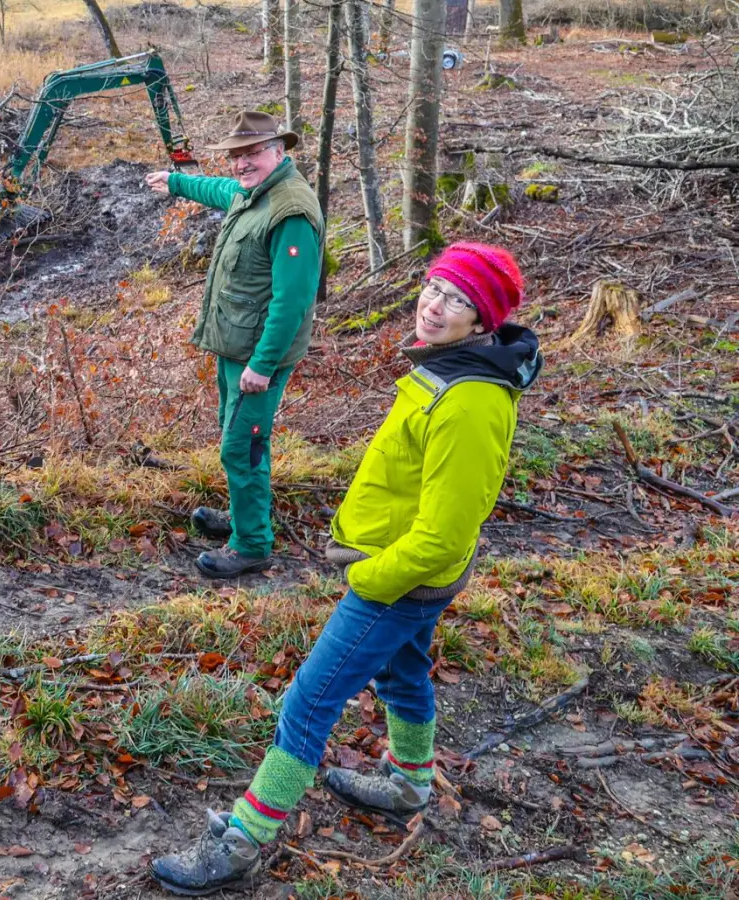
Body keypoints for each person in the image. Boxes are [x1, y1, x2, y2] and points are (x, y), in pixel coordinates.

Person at [148, 243, 542, 895]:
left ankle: (244, 841)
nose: (435, 304)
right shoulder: (450, 369)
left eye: (457, 300)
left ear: (483, 321)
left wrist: (369, 579)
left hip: (400, 581)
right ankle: (409, 782)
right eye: (434, 287)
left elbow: (444, 537)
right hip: (402, 574)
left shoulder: (470, 399)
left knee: (308, 702)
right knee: (404, 672)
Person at [144, 110, 324, 580]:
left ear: (279, 152)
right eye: (237, 155)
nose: (242, 164)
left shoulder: (291, 211)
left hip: (257, 356)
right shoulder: (254, 193)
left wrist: (262, 366)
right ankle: (243, 518)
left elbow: (292, 301)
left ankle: (251, 545)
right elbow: (223, 191)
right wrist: (177, 182)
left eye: (253, 153)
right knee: (235, 436)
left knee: (241, 448)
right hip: (236, 346)